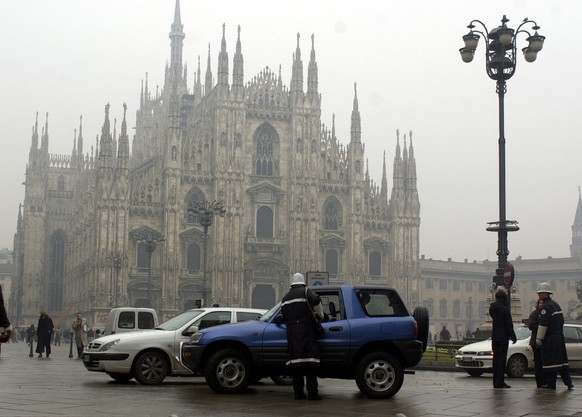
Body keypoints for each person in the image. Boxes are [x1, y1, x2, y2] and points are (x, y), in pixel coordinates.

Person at [281, 273, 324, 401]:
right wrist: (320, 315)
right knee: (311, 365)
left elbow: (284, 317)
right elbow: (316, 300)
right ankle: (313, 394)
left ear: (292, 284)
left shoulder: (285, 298)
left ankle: (298, 393)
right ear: (302, 282)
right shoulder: (306, 291)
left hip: (292, 334)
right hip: (307, 332)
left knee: (296, 366)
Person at [535, 282, 574, 390]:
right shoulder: (556, 305)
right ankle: (568, 383)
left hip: (550, 339)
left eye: (540, 293)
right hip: (559, 337)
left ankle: (551, 384)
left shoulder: (546, 307)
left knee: (550, 363)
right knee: (562, 363)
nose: (538, 296)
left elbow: (544, 324)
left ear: (544, 294)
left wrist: (539, 339)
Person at [489, 288, 517, 389]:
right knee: (501, 360)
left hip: (495, 336)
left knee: (495, 360)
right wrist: (513, 336)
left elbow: (493, 318)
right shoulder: (505, 309)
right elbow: (508, 324)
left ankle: (495, 381)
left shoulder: (492, 308)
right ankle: (500, 382)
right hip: (503, 337)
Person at [528, 298, 547, 388]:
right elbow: (531, 326)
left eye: (542, 303)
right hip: (536, 341)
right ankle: (540, 382)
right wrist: (541, 328)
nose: (541, 304)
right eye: (540, 303)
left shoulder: (546, 313)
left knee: (544, 362)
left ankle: (545, 381)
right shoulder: (534, 314)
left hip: (544, 341)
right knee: (538, 363)